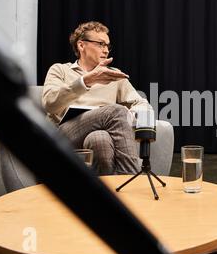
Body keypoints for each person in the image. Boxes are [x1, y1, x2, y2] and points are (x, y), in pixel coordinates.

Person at [42, 21, 152, 175]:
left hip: (97, 135)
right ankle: (131, 179)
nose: (106, 50)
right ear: (81, 45)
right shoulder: (60, 70)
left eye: (108, 46)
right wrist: (87, 81)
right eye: (101, 44)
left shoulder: (113, 74)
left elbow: (141, 103)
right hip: (63, 136)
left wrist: (131, 117)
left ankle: (104, 195)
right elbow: (49, 104)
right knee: (116, 111)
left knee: (100, 140)